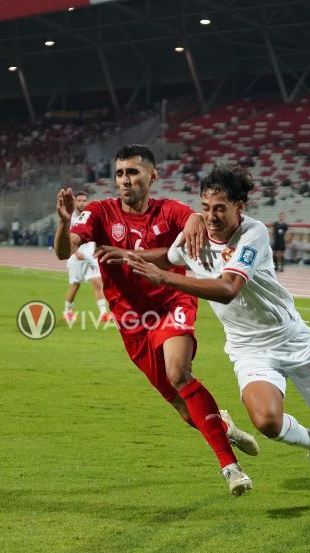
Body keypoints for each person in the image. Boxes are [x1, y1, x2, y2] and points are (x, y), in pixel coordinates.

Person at [121, 164, 310, 513]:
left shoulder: (254, 234)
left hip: (292, 340)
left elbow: (227, 289)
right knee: (266, 421)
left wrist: (164, 278)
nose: (211, 216)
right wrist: (128, 256)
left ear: (240, 206)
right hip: (249, 348)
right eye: (205, 208)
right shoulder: (195, 233)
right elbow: (172, 255)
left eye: (220, 208)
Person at [54, 145, 260, 497]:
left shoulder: (172, 211)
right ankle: (222, 425)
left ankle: (230, 468)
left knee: (179, 373)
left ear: (153, 176)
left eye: (133, 172)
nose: (125, 180)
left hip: (172, 303)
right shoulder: (100, 213)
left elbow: (194, 220)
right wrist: (63, 223)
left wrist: (196, 219)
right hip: (133, 320)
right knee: (183, 409)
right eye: (119, 173)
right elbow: (64, 251)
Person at [62, 191, 109, 322]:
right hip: (76, 258)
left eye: (84, 200)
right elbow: (66, 238)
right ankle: (67, 311)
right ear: (75, 202)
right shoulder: (70, 218)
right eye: (79, 200)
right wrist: (76, 252)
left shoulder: (90, 217)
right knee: (75, 285)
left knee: (97, 282)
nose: (82, 203)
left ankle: (103, 313)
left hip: (90, 256)